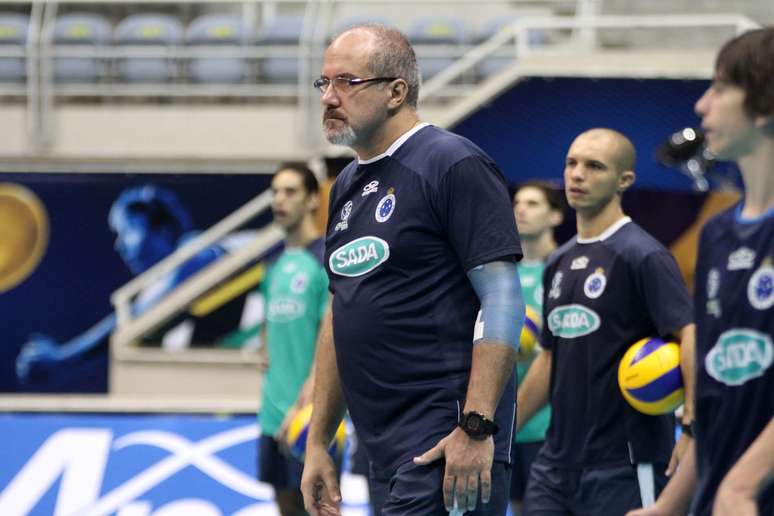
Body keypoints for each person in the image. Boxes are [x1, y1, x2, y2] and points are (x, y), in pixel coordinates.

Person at [300, 24, 525, 516]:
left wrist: (477, 426)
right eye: (324, 83)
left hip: (445, 444)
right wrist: (319, 441)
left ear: (396, 92)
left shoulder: (452, 162)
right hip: (382, 450)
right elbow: (343, 313)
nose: (329, 98)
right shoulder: (345, 188)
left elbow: (503, 298)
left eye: (347, 82)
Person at [627, 28, 774, 516]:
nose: (700, 105)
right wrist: (667, 506)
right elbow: (713, 398)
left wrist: (743, 485)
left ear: (764, 104)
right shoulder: (716, 235)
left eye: (719, 88)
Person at [516, 128, 696, 515]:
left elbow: (691, 336)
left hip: (626, 463)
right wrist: (499, 432)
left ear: (624, 180)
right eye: (571, 163)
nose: (577, 174)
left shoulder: (644, 255)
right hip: (555, 464)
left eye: (594, 166)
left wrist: (692, 429)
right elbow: (549, 359)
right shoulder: (558, 262)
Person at [15, 184, 224, 387]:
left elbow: (139, 313)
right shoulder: (157, 287)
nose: (119, 245)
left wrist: (64, 356)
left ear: (163, 230)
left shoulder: (196, 248)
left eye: (129, 230)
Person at [256, 163, 330, 516]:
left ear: (313, 199)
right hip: (272, 413)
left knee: (318, 508)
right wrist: (265, 346)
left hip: (311, 415)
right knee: (286, 508)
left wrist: (306, 402)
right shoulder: (271, 267)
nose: (279, 200)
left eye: (290, 192)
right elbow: (269, 327)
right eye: (274, 192)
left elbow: (331, 339)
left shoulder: (326, 259)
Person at [510, 181, 563, 515]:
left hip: (549, 423)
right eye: (517, 202)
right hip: (503, 424)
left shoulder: (565, 268)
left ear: (555, 215)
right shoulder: (501, 275)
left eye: (533, 203)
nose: (521, 209)